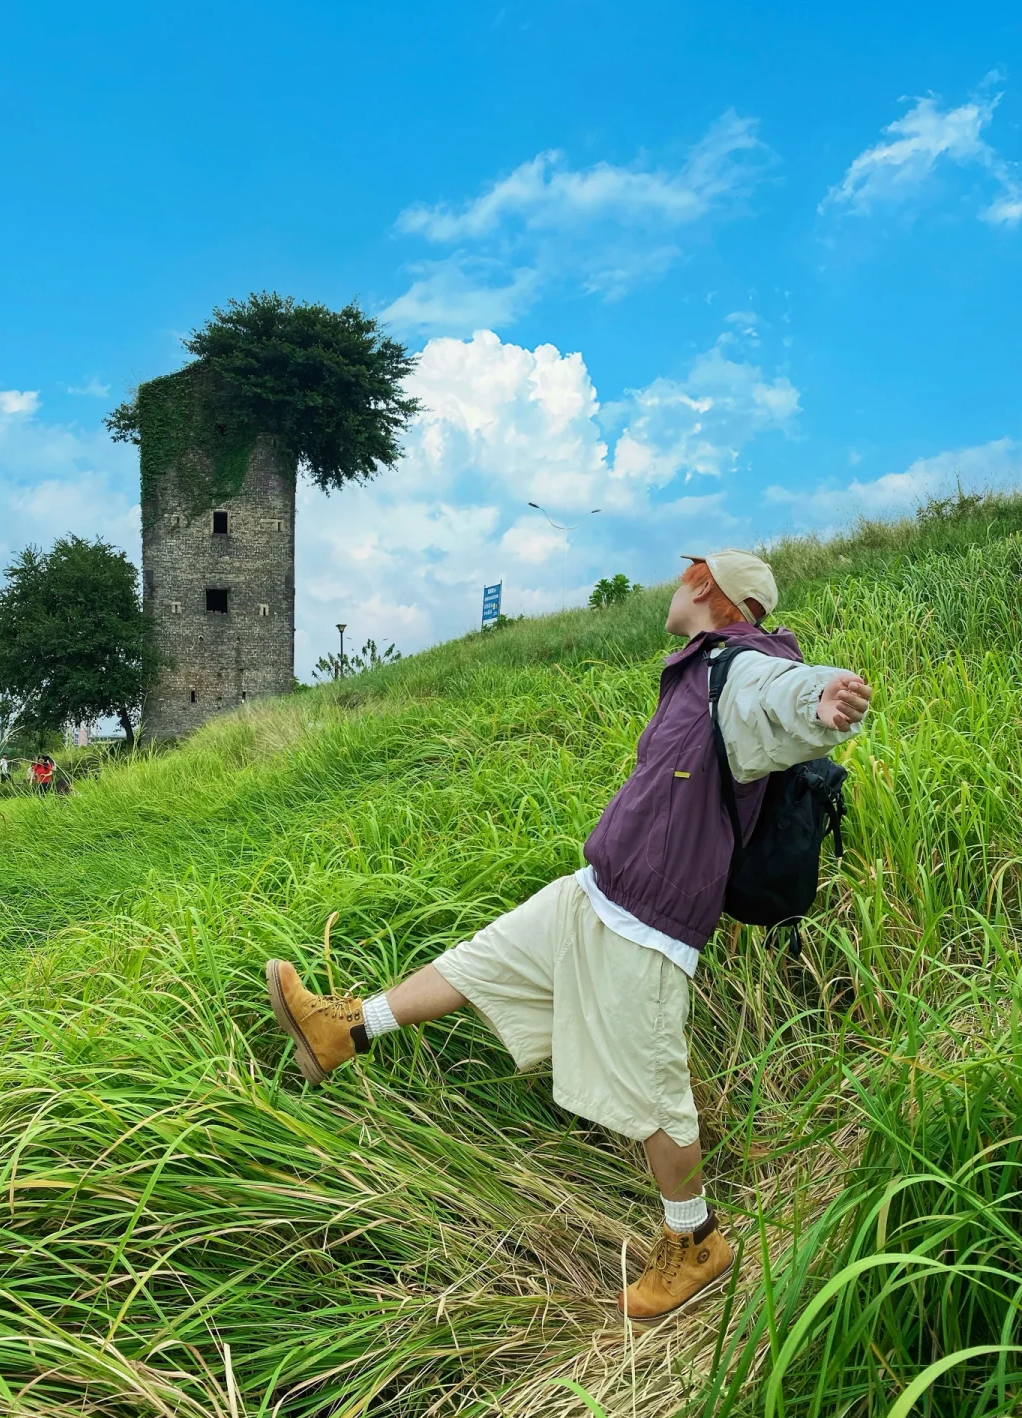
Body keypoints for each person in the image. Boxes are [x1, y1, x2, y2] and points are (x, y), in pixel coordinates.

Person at [265, 550, 872, 1324]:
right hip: (596, 892)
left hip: (646, 926)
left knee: (653, 1093)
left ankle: (696, 1243)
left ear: (708, 589)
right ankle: (342, 1029)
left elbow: (780, 694)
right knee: (477, 962)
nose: (675, 579)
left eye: (687, 570)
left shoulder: (739, 666)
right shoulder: (697, 670)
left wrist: (821, 700)